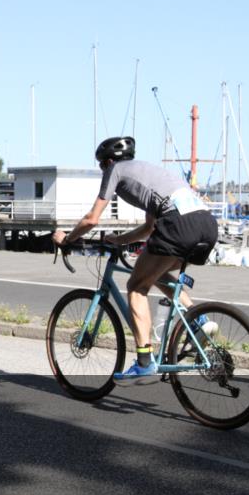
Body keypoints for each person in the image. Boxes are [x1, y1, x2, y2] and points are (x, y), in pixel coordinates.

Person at [52, 137, 219, 380]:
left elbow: (91, 219)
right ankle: (199, 320)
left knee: (136, 287)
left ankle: (144, 362)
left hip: (179, 225)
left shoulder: (115, 170)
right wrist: (120, 240)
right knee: (157, 273)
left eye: (102, 166)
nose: (103, 171)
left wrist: (67, 240)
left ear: (109, 162)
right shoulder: (146, 171)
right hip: (206, 224)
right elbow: (149, 227)